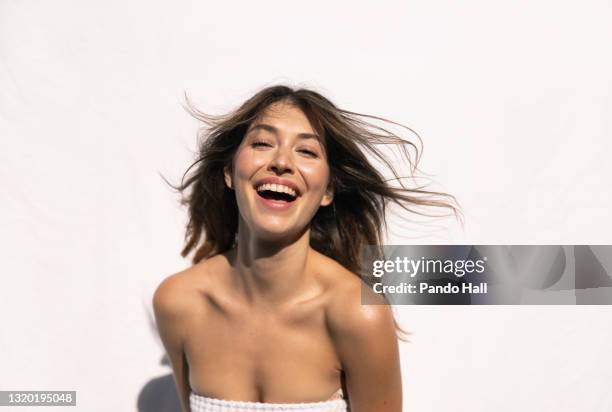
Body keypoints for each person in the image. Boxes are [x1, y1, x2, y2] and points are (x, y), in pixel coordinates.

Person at [153, 85, 457, 412]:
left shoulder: (358, 314)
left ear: (328, 191)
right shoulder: (179, 303)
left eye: (307, 152)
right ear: (229, 172)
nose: (282, 161)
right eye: (262, 143)